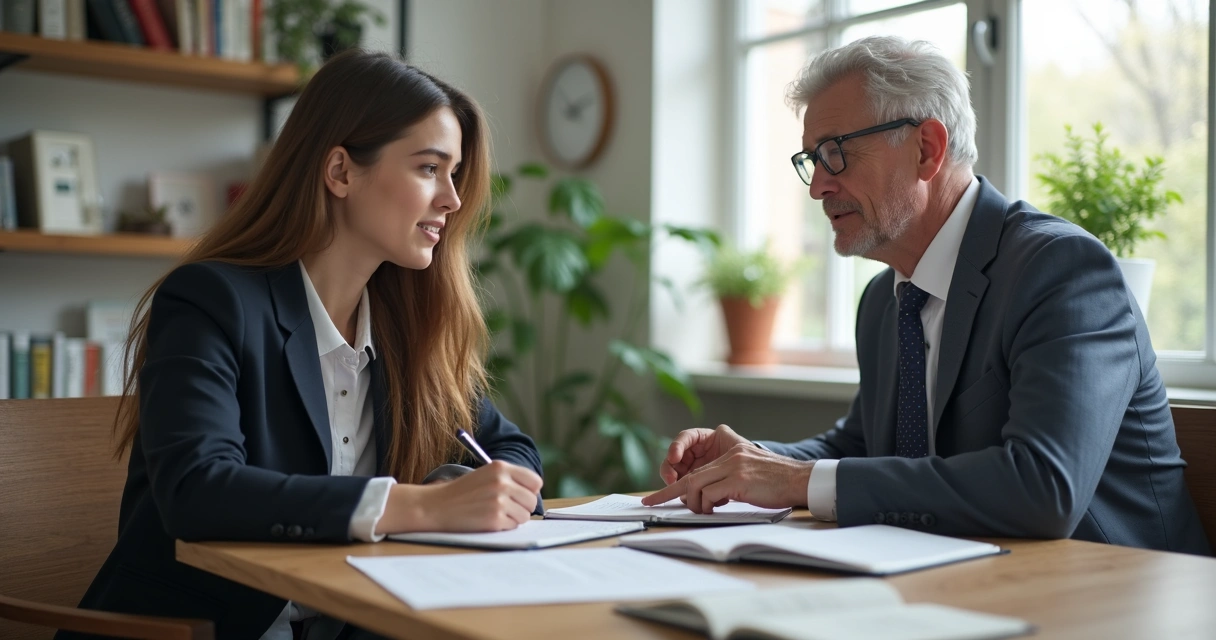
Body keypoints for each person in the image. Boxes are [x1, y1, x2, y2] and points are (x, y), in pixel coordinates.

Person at [645, 36, 1210, 556]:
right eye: (811, 160)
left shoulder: (1060, 270)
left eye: (835, 152)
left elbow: (1044, 487)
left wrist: (793, 481)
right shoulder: (882, 301)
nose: (818, 185)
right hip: (966, 580)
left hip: (1121, 594)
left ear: (927, 149)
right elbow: (864, 447)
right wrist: (751, 462)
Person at [62, 49, 545, 640]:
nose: (453, 198)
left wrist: (464, 489)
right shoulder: (210, 301)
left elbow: (511, 450)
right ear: (340, 172)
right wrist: (421, 508)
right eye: (429, 168)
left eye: (455, 175)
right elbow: (197, 489)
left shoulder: (405, 331)